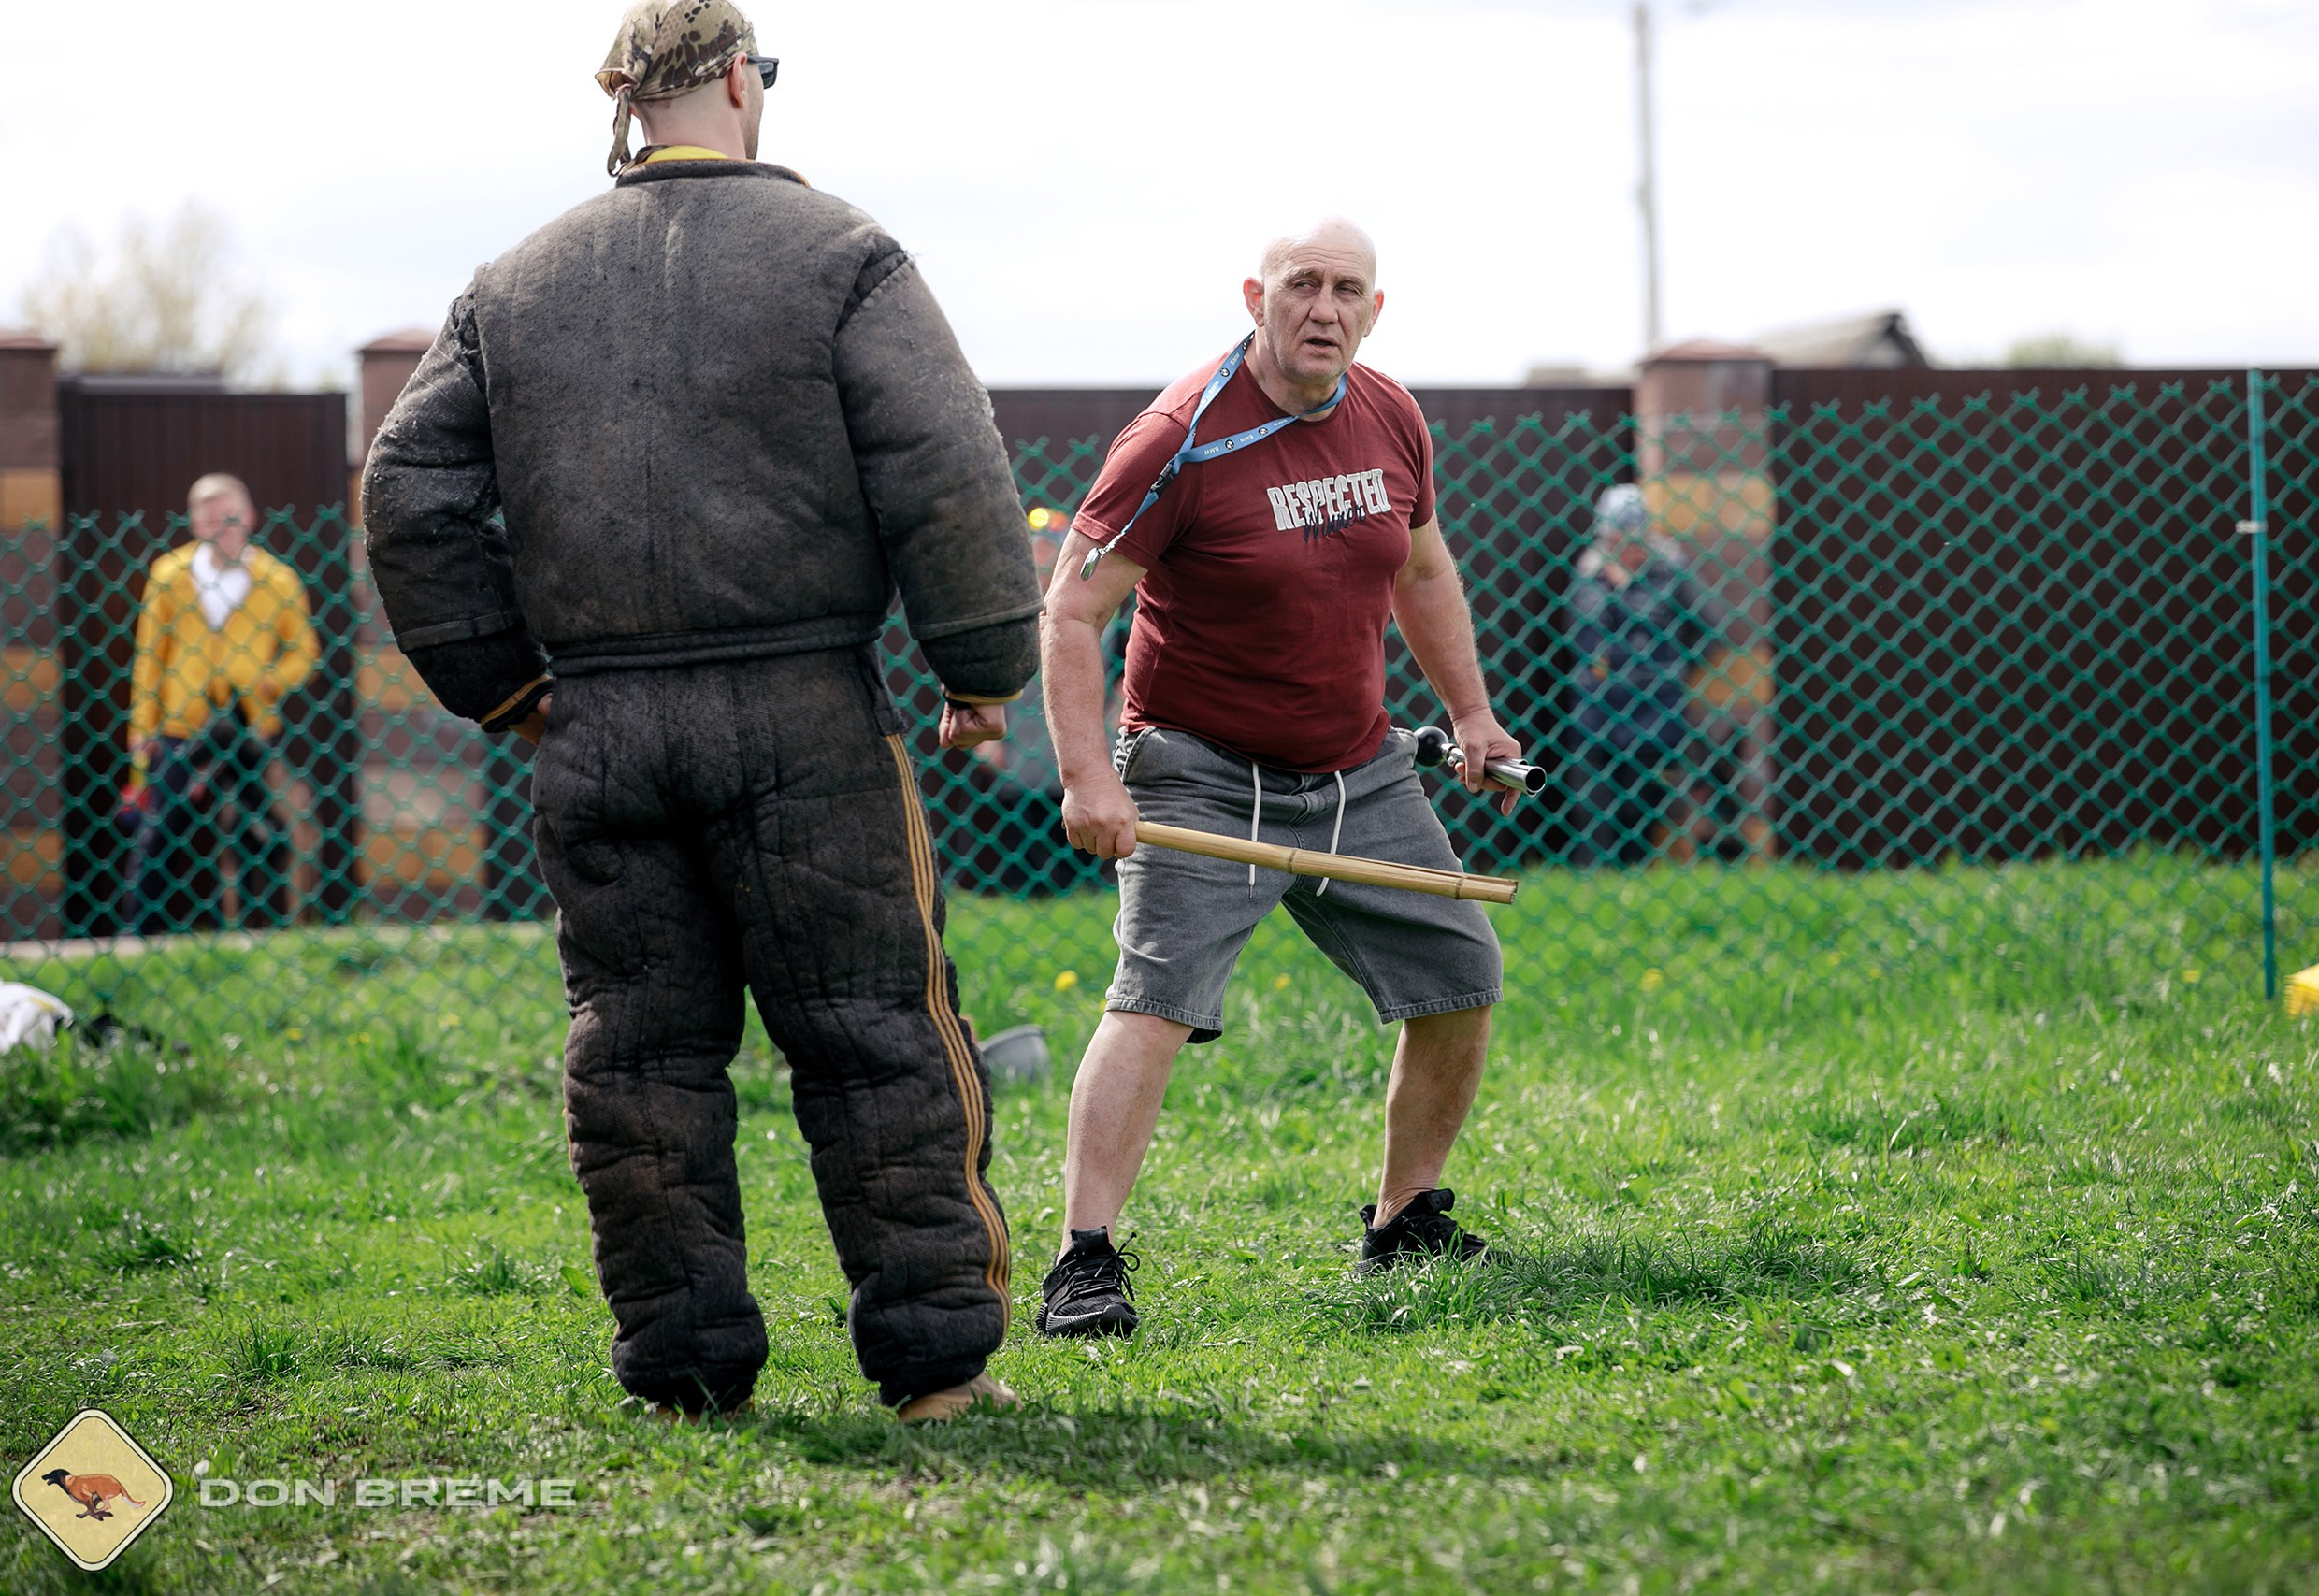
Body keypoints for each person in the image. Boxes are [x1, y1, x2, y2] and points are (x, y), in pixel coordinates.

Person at [361, 0, 1041, 1424]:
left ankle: (684, 1375)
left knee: (643, 1057)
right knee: (872, 1031)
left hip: (599, 729)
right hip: (806, 717)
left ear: (628, 96)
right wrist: (981, 664)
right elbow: (950, 471)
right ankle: (931, 1374)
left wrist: (509, 683)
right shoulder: (842, 256)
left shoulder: (512, 284)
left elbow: (405, 495)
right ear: (743, 80)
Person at [1033, 219, 1527, 1339]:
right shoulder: (1178, 437)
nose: (1324, 308)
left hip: (1356, 767)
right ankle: (1084, 1260)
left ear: (1374, 309)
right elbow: (1070, 610)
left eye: (1346, 289)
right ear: (1256, 295)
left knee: (1459, 968)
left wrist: (1469, 713)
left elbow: (1423, 565)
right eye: (1301, 284)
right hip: (1196, 771)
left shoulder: (1389, 412)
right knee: (1152, 1004)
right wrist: (1085, 782)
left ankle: (1404, 1220)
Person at [124, 473, 316, 932]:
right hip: (182, 720)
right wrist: (141, 725)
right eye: (209, 520)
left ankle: (263, 927)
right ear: (193, 524)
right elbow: (150, 655)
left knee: (258, 826)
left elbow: (305, 652)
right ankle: (137, 932)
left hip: (249, 721)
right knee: (162, 828)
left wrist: (269, 680)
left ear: (249, 517)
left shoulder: (277, 579)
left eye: (228, 518)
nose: (220, 528)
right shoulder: (169, 574)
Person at [1563, 484, 1720, 866]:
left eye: (1635, 541)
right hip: (1598, 718)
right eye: (1617, 540)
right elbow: (1580, 639)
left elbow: (1710, 629)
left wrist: (1673, 670)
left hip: (1656, 714)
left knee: (1643, 813)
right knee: (1596, 816)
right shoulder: (1589, 577)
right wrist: (1612, 591)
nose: (1628, 550)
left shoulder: (1671, 572)